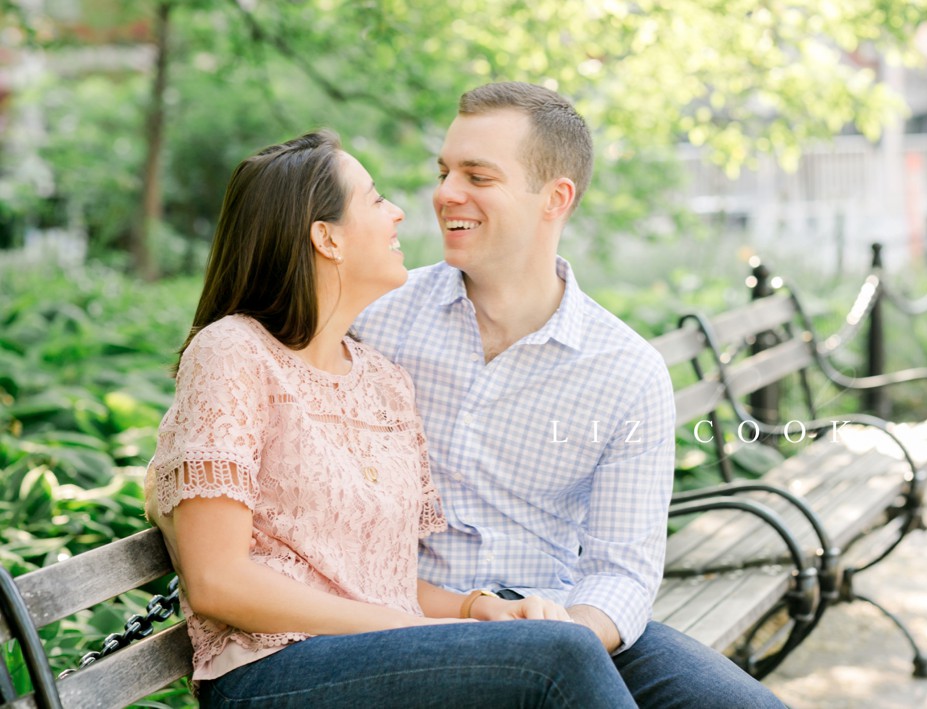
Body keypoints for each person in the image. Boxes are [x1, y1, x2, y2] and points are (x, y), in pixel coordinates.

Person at [144, 130, 636, 708]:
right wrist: (428, 633)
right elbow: (218, 583)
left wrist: (480, 609)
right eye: (375, 200)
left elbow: (387, 586)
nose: (401, 212)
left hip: (382, 659)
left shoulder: (381, 377)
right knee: (561, 657)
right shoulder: (233, 353)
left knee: (565, 645)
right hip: (272, 670)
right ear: (325, 237)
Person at [353, 82, 785, 708]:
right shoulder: (375, 318)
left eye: (478, 175)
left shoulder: (626, 371)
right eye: (445, 171)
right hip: (409, 620)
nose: (445, 193)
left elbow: (623, 570)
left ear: (555, 198)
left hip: (553, 618)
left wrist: (575, 630)